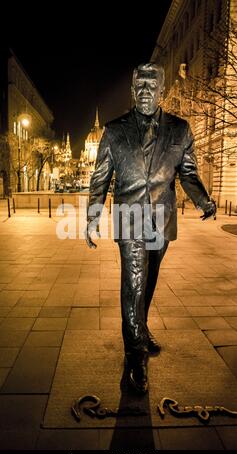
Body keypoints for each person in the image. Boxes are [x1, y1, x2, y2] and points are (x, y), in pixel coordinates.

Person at [85, 63, 216, 394]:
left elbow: (188, 173)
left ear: (161, 90)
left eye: (151, 84)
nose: (145, 90)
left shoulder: (180, 129)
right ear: (133, 91)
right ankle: (135, 356)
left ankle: (139, 329)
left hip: (162, 218)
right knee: (134, 282)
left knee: (149, 281)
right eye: (139, 85)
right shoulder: (114, 131)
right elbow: (100, 176)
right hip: (129, 217)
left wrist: (204, 201)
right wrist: (92, 215)